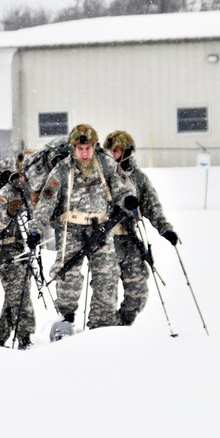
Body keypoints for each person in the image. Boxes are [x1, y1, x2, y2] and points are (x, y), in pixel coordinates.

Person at [28, 124, 136, 330]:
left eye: (88, 148)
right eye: (80, 149)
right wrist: (35, 229)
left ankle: (101, 325)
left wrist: (128, 199)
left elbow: (122, 188)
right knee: (68, 278)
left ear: (94, 146)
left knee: (107, 277)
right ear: (73, 148)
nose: (85, 153)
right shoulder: (61, 169)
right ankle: (65, 321)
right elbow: (46, 203)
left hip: (101, 228)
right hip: (70, 230)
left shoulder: (106, 165)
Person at [104, 130, 180, 326]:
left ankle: (122, 325)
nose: (113, 154)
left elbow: (152, 206)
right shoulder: (101, 175)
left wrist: (165, 229)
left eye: (117, 150)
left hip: (129, 240)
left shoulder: (138, 179)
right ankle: (102, 331)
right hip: (105, 241)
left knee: (138, 291)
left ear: (127, 151)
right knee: (105, 293)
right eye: (110, 150)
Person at [0, 155, 38, 349]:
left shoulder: (30, 192)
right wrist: (7, 213)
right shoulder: (5, 193)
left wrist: (35, 234)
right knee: (19, 293)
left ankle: (0, 339)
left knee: (14, 295)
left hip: (25, 249)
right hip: (6, 249)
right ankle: (25, 338)